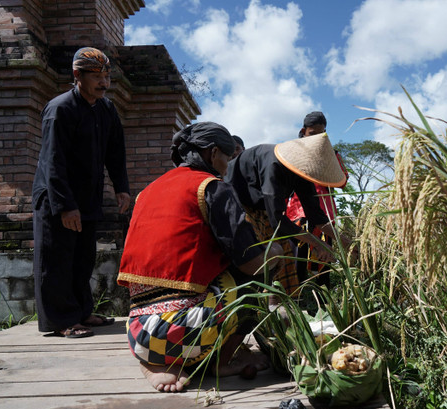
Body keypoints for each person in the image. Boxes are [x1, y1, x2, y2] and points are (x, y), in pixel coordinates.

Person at [117, 122, 282, 392]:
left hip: (138, 334)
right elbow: (251, 263)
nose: (228, 166)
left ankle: (155, 361)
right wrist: (275, 250)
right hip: (186, 333)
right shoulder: (212, 187)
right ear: (213, 152)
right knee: (261, 273)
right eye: (227, 158)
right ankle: (224, 359)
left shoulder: (147, 192)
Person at [32, 47, 131, 339]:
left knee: (83, 257)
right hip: (55, 196)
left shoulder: (106, 109)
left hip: (88, 195)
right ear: (77, 75)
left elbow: (115, 152)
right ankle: (62, 320)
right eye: (96, 76)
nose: (104, 82)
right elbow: (53, 160)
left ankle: (82, 312)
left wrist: (121, 187)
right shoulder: (60, 108)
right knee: (57, 258)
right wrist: (64, 205)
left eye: (106, 76)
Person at [224, 131, 349, 297]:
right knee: (259, 256)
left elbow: (316, 216)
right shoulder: (273, 165)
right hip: (238, 205)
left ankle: (284, 305)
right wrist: (318, 244)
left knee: (285, 260)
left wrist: (345, 242)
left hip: (264, 209)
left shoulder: (303, 172)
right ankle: (255, 302)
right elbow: (278, 222)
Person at [286, 112, 349, 288]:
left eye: (321, 134)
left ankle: (325, 308)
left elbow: (342, 182)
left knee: (323, 265)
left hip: (324, 214)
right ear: (303, 131)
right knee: (296, 262)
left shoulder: (332, 154)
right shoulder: (292, 151)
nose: (316, 138)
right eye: (312, 134)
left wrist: (326, 162)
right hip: (298, 213)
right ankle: (296, 305)